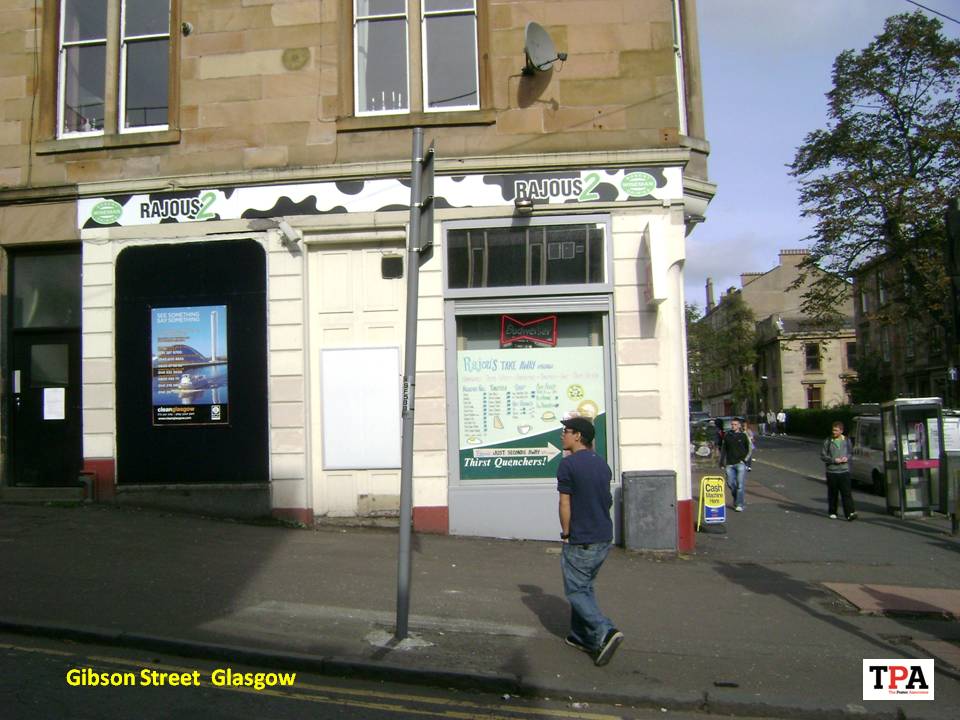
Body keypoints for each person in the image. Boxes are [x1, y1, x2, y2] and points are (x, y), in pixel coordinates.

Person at [556, 416, 623, 667]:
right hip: (603, 536)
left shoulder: (568, 465)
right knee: (585, 586)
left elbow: (565, 503)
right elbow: (606, 500)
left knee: (575, 590)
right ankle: (580, 636)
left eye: (566, 431)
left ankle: (605, 631)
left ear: (578, 436)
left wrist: (565, 533)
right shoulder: (601, 464)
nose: (562, 435)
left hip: (580, 538)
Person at [821, 421, 857, 521]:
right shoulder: (827, 441)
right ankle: (832, 511)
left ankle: (849, 513)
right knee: (833, 493)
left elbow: (850, 452)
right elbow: (823, 456)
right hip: (832, 471)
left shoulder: (846, 440)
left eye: (836, 430)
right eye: (833, 430)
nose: (834, 432)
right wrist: (833, 460)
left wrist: (847, 458)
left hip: (844, 471)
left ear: (841, 431)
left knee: (846, 493)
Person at [720, 417, 751, 511]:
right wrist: (722, 461)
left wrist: (745, 460)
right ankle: (737, 498)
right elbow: (723, 449)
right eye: (732, 424)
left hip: (740, 463)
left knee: (740, 485)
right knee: (730, 483)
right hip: (729, 463)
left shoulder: (743, 435)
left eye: (735, 424)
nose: (733, 426)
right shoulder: (727, 435)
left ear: (739, 426)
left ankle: (739, 504)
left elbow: (749, 449)